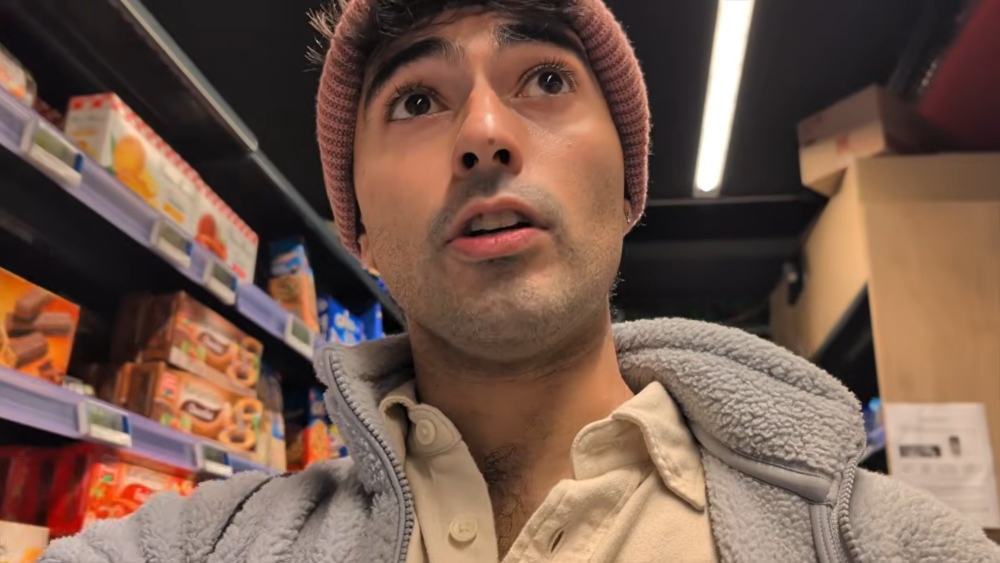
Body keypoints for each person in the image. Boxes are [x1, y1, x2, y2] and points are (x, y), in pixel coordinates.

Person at [43, 1, 1000, 562]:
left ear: (630, 185)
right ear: (360, 230)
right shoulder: (211, 544)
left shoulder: (880, 542)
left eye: (543, 80)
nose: (485, 132)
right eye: (418, 100)